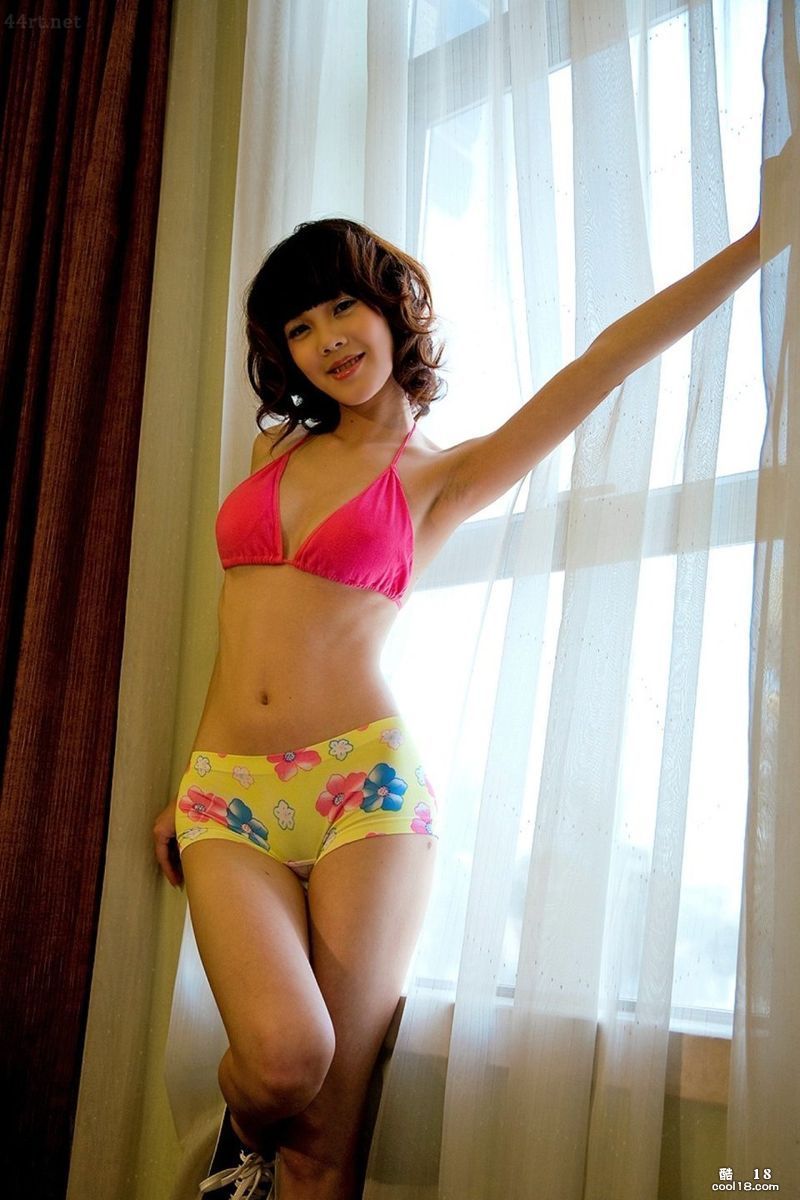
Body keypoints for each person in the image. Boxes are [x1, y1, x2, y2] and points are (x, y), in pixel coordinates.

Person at [153, 209, 767, 1200]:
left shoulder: (444, 475)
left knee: (324, 1143)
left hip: (366, 798)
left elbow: (607, 360)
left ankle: (271, 1161)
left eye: (341, 306)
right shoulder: (276, 450)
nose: (326, 340)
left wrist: (760, 239)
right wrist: (188, 779)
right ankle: (242, 1128)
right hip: (226, 795)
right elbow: (239, 635)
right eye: (299, 328)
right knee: (280, 1063)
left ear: (390, 308)